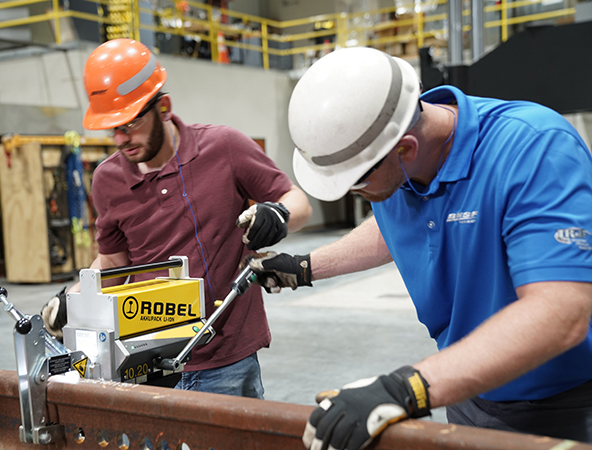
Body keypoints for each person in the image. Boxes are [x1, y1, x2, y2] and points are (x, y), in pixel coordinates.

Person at [248, 46, 592, 448]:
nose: (358, 194)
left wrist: (407, 387)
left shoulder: (533, 148)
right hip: (466, 384)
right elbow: (391, 226)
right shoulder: (398, 163)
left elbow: (560, 313)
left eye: (357, 183)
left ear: (405, 148)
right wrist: (305, 267)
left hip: (563, 404)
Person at [41, 39, 312, 398]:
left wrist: (277, 214)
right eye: (113, 128)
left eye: (130, 123)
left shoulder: (224, 147)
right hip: (146, 359)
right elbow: (114, 262)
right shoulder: (108, 179)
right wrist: (73, 298)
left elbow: (298, 202)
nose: (121, 139)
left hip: (225, 358)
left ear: (163, 107)